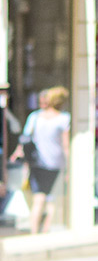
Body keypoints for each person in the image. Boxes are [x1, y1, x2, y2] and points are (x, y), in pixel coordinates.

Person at [11, 86, 70, 234]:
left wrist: (20, 155)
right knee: (52, 199)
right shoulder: (64, 118)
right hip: (56, 163)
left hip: (37, 162)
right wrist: (69, 166)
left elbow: (25, 139)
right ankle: (45, 230)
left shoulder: (35, 117)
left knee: (39, 198)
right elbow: (65, 145)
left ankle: (34, 232)